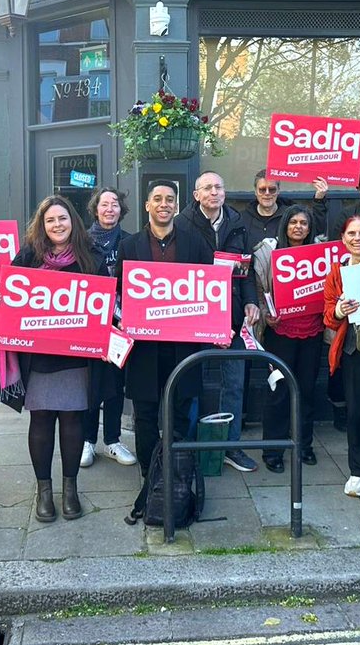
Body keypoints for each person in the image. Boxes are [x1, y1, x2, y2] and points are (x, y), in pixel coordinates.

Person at [0, 195, 106, 523]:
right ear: (42, 226)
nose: (57, 225)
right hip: (38, 356)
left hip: (75, 357)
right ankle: (44, 490)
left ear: (73, 222)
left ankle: (70, 490)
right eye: (50, 220)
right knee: (40, 421)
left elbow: (106, 302)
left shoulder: (92, 258)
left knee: (72, 421)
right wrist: (1, 301)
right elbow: (9, 295)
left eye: (63, 219)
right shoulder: (27, 257)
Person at [117, 180, 215, 523]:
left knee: (180, 412)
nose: (163, 204)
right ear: (147, 206)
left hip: (182, 348)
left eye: (169, 199)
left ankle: (177, 472)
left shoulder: (195, 243)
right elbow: (118, 295)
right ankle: (150, 474)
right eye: (157, 199)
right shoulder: (129, 246)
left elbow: (210, 290)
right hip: (144, 350)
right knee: (144, 416)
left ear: (176, 205)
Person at [175, 171, 261, 473]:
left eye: (219, 186)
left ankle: (230, 446)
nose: (214, 192)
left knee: (234, 384)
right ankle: (185, 446)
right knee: (189, 380)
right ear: (197, 194)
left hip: (232, 314)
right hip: (193, 313)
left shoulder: (237, 223)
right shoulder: (181, 223)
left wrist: (251, 300)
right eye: (208, 188)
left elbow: (247, 270)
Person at [252, 206, 325, 472]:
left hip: (312, 331)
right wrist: (264, 312)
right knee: (278, 391)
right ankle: (273, 450)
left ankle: (304, 445)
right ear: (285, 225)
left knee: (306, 390)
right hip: (280, 333)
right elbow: (258, 288)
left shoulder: (321, 253)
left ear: (309, 228)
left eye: (303, 223)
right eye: (293, 222)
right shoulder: (269, 252)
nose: (298, 227)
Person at [80, 187, 138, 469]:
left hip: (121, 322)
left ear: (121, 210)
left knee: (115, 382)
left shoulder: (131, 242)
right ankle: (88, 441)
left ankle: (113, 440)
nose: (110, 209)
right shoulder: (81, 242)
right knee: (90, 383)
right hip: (89, 323)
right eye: (104, 204)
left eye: (115, 204)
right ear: (96, 209)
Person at [322, 214, 360, 497]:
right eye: (351, 234)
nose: (357, 238)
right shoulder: (337, 271)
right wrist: (339, 311)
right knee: (355, 413)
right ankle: (358, 471)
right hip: (353, 350)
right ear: (343, 240)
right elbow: (328, 316)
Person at [241, 169, 328, 247]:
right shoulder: (242, 219)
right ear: (255, 192)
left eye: (272, 189)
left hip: (285, 263)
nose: (267, 193)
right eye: (262, 190)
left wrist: (319, 200)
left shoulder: (291, 216)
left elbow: (314, 231)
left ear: (278, 190)